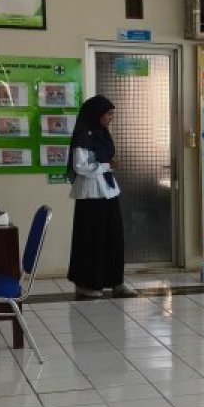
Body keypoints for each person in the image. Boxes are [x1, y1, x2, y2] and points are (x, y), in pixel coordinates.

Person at [66, 95, 136, 299]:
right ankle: (86, 284)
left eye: (112, 114)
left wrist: (110, 164)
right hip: (90, 195)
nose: (111, 118)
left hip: (109, 191)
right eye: (108, 114)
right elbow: (80, 166)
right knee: (91, 241)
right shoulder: (83, 135)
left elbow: (104, 160)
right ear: (95, 114)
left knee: (114, 238)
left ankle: (117, 282)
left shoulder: (103, 133)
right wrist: (106, 165)